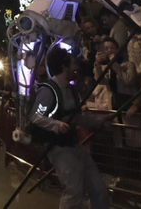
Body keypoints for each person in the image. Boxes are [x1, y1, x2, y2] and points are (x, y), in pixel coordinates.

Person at [29, 46, 109, 209]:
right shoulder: (48, 91)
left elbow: (77, 116)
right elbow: (35, 116)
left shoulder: (71, 89)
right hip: (58, 147)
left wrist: (99, 121)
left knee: (99, 189)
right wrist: (55, 125)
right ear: (64, 66)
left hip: (74, 144)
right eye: (73, 65)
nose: (77, 68)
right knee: (73, 191)